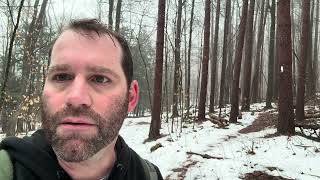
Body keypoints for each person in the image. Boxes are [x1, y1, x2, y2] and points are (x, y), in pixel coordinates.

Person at [0, 18, 163, 180]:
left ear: (131, 97)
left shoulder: (149, 175)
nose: (76, 98)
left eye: (100, 79)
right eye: (61, 77)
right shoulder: (8, 170)